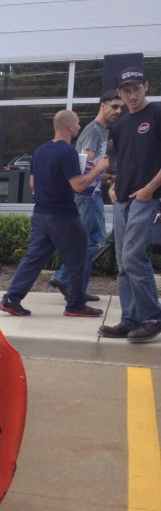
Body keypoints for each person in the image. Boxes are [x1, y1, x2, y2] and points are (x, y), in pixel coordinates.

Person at [0, 109, 109, 318]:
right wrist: (98, 168)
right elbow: (78, 185)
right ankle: (75, 304)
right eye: (76, 123)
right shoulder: (68, 153)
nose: (78, 126)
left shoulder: (40, 151)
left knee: (34, 257)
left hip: (40, 214)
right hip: (63, 214)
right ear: (69, 126)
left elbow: (33, 183)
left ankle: (11, 299)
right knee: (79, 254)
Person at [98, 67, 161, 343]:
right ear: (120, 94)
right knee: (123, 263)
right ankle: (130, 319)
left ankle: (152, 318)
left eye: (136, 89)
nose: (132, 95)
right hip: (121, 198)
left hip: (146, 198)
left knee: (134, 256)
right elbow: (121, 161)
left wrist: (150, 189)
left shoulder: (157, 114)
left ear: (146, 86)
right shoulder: (120, 124)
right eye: (126, 91)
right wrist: (113, 185)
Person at [49, 90, 123, 302]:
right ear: (103, 106)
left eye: (121, 107)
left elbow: (93, 167)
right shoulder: (94, 131)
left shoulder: (101, 131)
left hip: (91, 192)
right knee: (92, 240)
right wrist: (97, 175)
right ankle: (65, 278)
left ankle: (76, 288)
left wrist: (107, 177)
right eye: (114, 106)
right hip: (88, 195)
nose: (118, 111)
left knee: (88, 240)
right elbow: (84, 164)